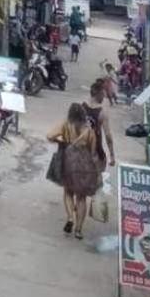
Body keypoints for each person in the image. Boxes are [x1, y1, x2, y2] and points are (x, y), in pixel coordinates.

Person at [47, 102, 102, 240]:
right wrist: (98, 173)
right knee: (82, 197)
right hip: (84, 166)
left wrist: (60, 141)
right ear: (84, 115)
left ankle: (70, 217)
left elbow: (49, 135)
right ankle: (78, 230)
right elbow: (94, 154)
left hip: (67, 162)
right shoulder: (89, 131)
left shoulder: (66, 125)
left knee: (68, 192)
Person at [85, 75, 118, 172]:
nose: (104, 96)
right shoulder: (102, 113)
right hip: (95, 151)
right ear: (98, 94)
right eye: (103, 93)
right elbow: (108, 136)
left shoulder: (81, 107)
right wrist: (112, 155)